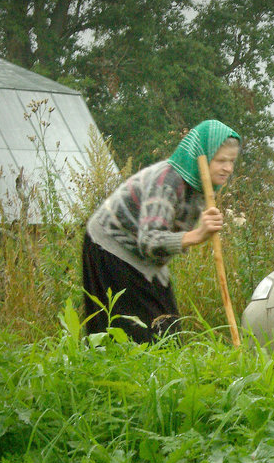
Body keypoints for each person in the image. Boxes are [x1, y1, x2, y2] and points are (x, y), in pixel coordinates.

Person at [82, 119, 240, 342]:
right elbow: (149, 241)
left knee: (167, 327)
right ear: (201, 156)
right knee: (128, 334)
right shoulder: (168, 181)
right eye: (221, 160)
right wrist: (197, 235)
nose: (228, 168)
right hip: (110, 247)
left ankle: (163, 374)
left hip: (144, 255)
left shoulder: (199, 187)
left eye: (231, 161)